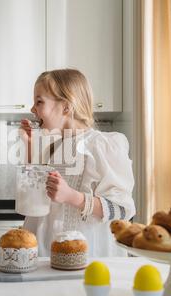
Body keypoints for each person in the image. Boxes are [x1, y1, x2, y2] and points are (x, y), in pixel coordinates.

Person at [20, 69, 136, 257]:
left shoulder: (103, 145)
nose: (32, 109)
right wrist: (30, 146)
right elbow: (31, 200)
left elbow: (122, 210)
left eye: (39, 102)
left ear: (66, 107)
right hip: (47, 255)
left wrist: (72, 196)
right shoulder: (53, 147)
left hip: (87, 256)